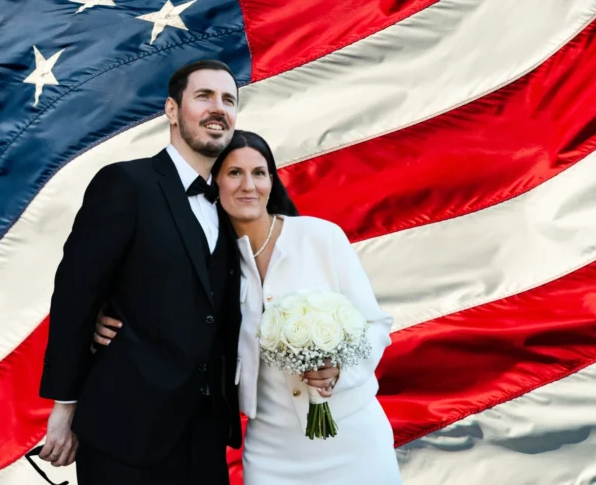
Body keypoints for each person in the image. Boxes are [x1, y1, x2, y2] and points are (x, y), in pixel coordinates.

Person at [36, 60, 340, 485]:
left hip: (206, 434)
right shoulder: (125, 183)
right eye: (204, 96)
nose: (219, 108)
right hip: (124, 433)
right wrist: (64, 407)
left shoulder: (234, 202)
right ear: (172, 110)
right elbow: (75, 294)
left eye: (228, 100)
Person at [94, 129, 402, 484]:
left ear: (272, 180)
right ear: (215, 183)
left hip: (352, 437)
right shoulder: (208, 261)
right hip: (272, 450)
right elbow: (156, 302)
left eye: (259, 172)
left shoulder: (321, 237)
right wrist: (100, 317)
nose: (248, 185)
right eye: (234, 173)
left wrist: (339, 372)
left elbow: (375, 324)